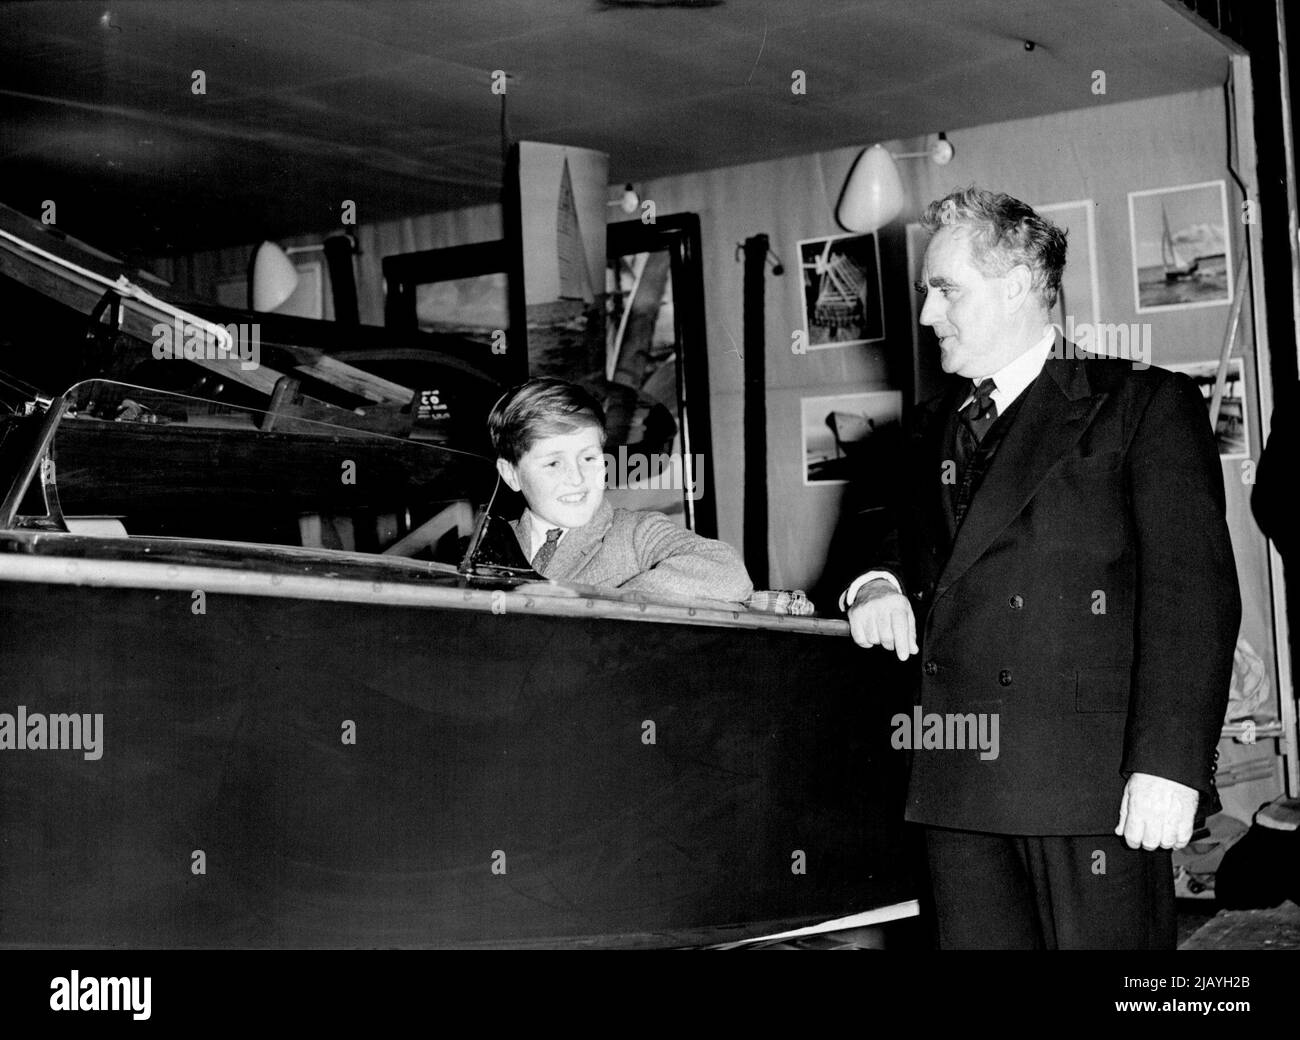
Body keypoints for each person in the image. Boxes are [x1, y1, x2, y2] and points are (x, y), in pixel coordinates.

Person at [843, 187, 1240, 949]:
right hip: (957, 782)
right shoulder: (928, 430)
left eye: (945, 290)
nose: (927, 315)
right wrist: (877, 583)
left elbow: (1193, 598)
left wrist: (1169, 765)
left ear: (1021, 282)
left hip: (1091, 791)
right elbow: (881, 535)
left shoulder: (1142, 404)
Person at [488, 377, 753, 603]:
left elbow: (727, 572)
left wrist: (610, 602)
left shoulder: (636, 533)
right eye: (554, 463)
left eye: (589, 458)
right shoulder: (490, 544)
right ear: (511, 475)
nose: (577, 477)